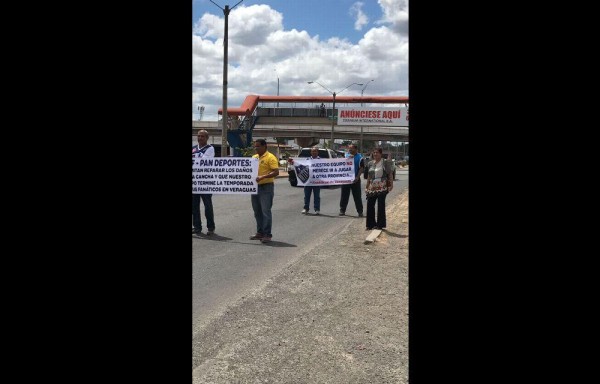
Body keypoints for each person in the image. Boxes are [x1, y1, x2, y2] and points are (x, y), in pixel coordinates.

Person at [249, 139, 279, 243]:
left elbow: (276, 172)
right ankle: (260, 232)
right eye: (255, 146)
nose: (256, 148)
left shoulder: (270, 157)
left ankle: (267, 234)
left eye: (258, 146)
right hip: (255, 187)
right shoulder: (254, 158)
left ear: (264, 146)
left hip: (266, 187)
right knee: (257, 211)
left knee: (265, 211)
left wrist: (263, 177)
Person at [192, 130, 216, 235]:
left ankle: (210, 227)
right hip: (194, 181)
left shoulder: (210, 148)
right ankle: (197, 227)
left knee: (207, 205)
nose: (200, 138)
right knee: (194, 206)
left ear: (207, 138)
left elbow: (204, 161)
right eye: (198, 136)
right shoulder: (193, 148)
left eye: (202, 136)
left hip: (206, 181)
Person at [365, 147, 394, 230]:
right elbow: (369, 176)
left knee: (381, 205)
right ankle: (370, 224)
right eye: (374, 152)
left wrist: (391, 185)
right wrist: (367, 186)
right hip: (372, 186)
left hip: (382, 186)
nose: (375, 154)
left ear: (380, 154)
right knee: (370, 204)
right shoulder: (370, 163)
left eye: (377, 152)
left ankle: (380, 225)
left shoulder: (385, 162)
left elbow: (390, 174)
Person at [288, 146, 321, 215]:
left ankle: (317, 209)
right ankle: (306, 208)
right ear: (311, 152)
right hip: (308, 181)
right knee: (306, 196)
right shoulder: (307, 160)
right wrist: (292, 161)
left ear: (317, 152)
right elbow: (299, 165)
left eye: (315, 151)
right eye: (312, 151)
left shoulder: (321, 160)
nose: (314, 152)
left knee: (317, 196)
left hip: (317, 181)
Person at [339, 143, 364, 217]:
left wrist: (357, 177)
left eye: (351, 148)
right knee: (344, 196)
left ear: (356, 149)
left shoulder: (360, 158)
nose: (350, 150)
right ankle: (342, 210)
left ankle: (360, 211)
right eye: (349, 148)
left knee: (357, 196)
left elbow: (361, 168)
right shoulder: (345, 156)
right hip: (346, 179)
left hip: (355, 180)